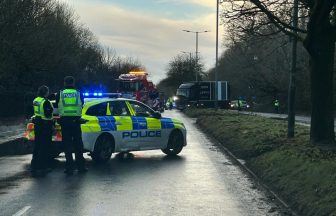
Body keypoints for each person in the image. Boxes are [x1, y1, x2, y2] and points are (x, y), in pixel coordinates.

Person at [56, 76, 87, 175]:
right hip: (76, 121)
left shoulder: (60, 93)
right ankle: (81, 167)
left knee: (67, 145)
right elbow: (82, 104)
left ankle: (69, 168)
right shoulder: (78, 93)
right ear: (73, 83)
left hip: (65, 122)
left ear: (65, 83)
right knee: (78, 145)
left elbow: (57, 106)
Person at [31, 85, 54, 177]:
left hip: (38, 123)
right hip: (45, 125)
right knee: (45, 147)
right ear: (45, 92)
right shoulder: (45, 102)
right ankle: (43, 167)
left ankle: (34, 166)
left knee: (37, 146)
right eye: (47, 91)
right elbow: (48, 114)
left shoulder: (35, 100)